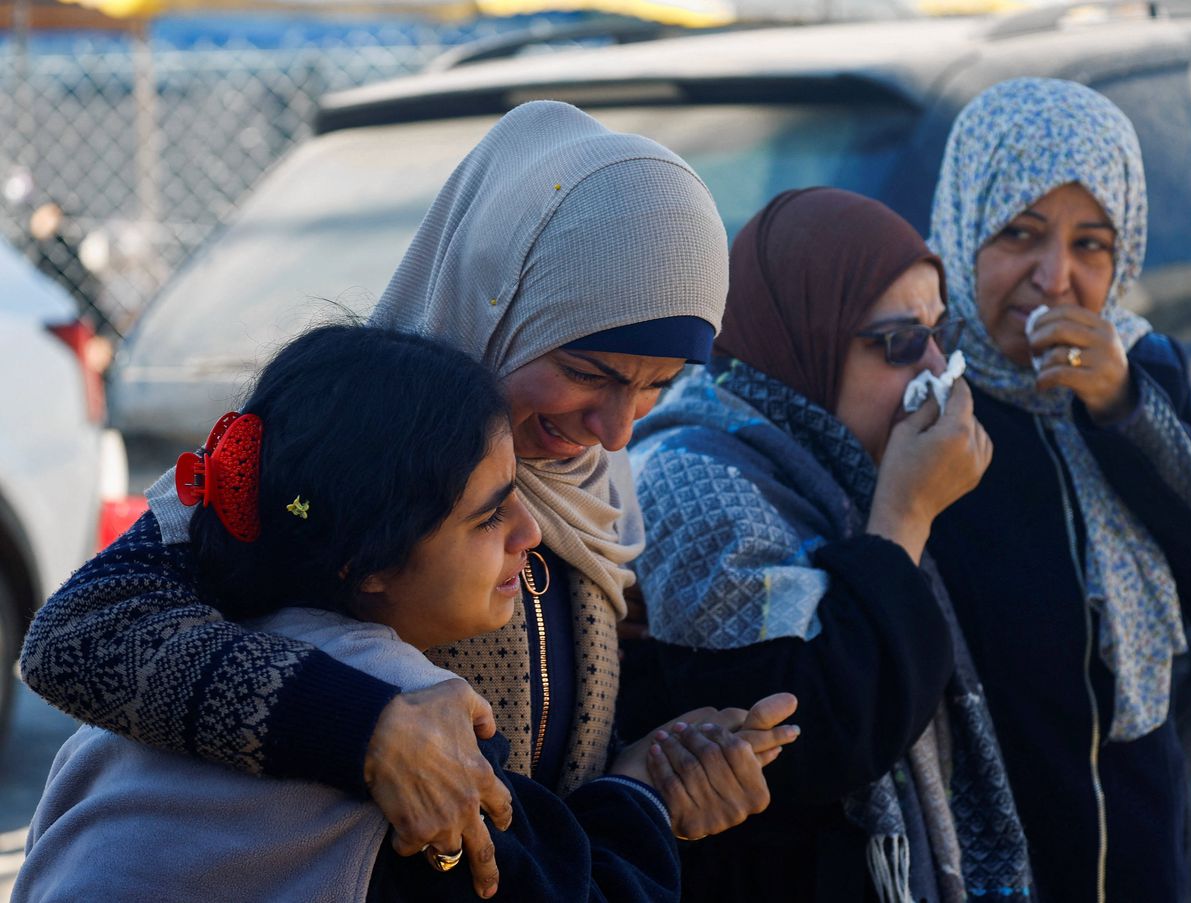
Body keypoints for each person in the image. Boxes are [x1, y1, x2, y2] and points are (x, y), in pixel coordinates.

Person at [19, 100, 757, 897]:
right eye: (589, 373)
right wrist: (364, 727)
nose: (616, 432)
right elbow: (80, 637)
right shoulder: (347, 459)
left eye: (658, 387)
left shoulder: (595, 500)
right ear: (503, 298)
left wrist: (658, 772)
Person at [16, 324, 797, 902]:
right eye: (491, 514)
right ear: (369, 563)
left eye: (658, 384)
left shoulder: (144, 693)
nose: (531, 532)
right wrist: (646, 800)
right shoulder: (422, 739)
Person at [924, 77, 1191, 901]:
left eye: (1093, 244)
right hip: (996, 857)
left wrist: (1126, 411)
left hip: (1137, 840)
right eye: (1019, 232)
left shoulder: (1140, 368)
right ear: (962, 225)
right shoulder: (924, 401)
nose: (1057, 279)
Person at [624, 187, 1033, 902]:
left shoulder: (827, 470)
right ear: (802, 335)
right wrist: (903, 516)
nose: (938, 370)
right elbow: (822, 729)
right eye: (903, 342)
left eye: (943, 333)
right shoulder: (692, 480)